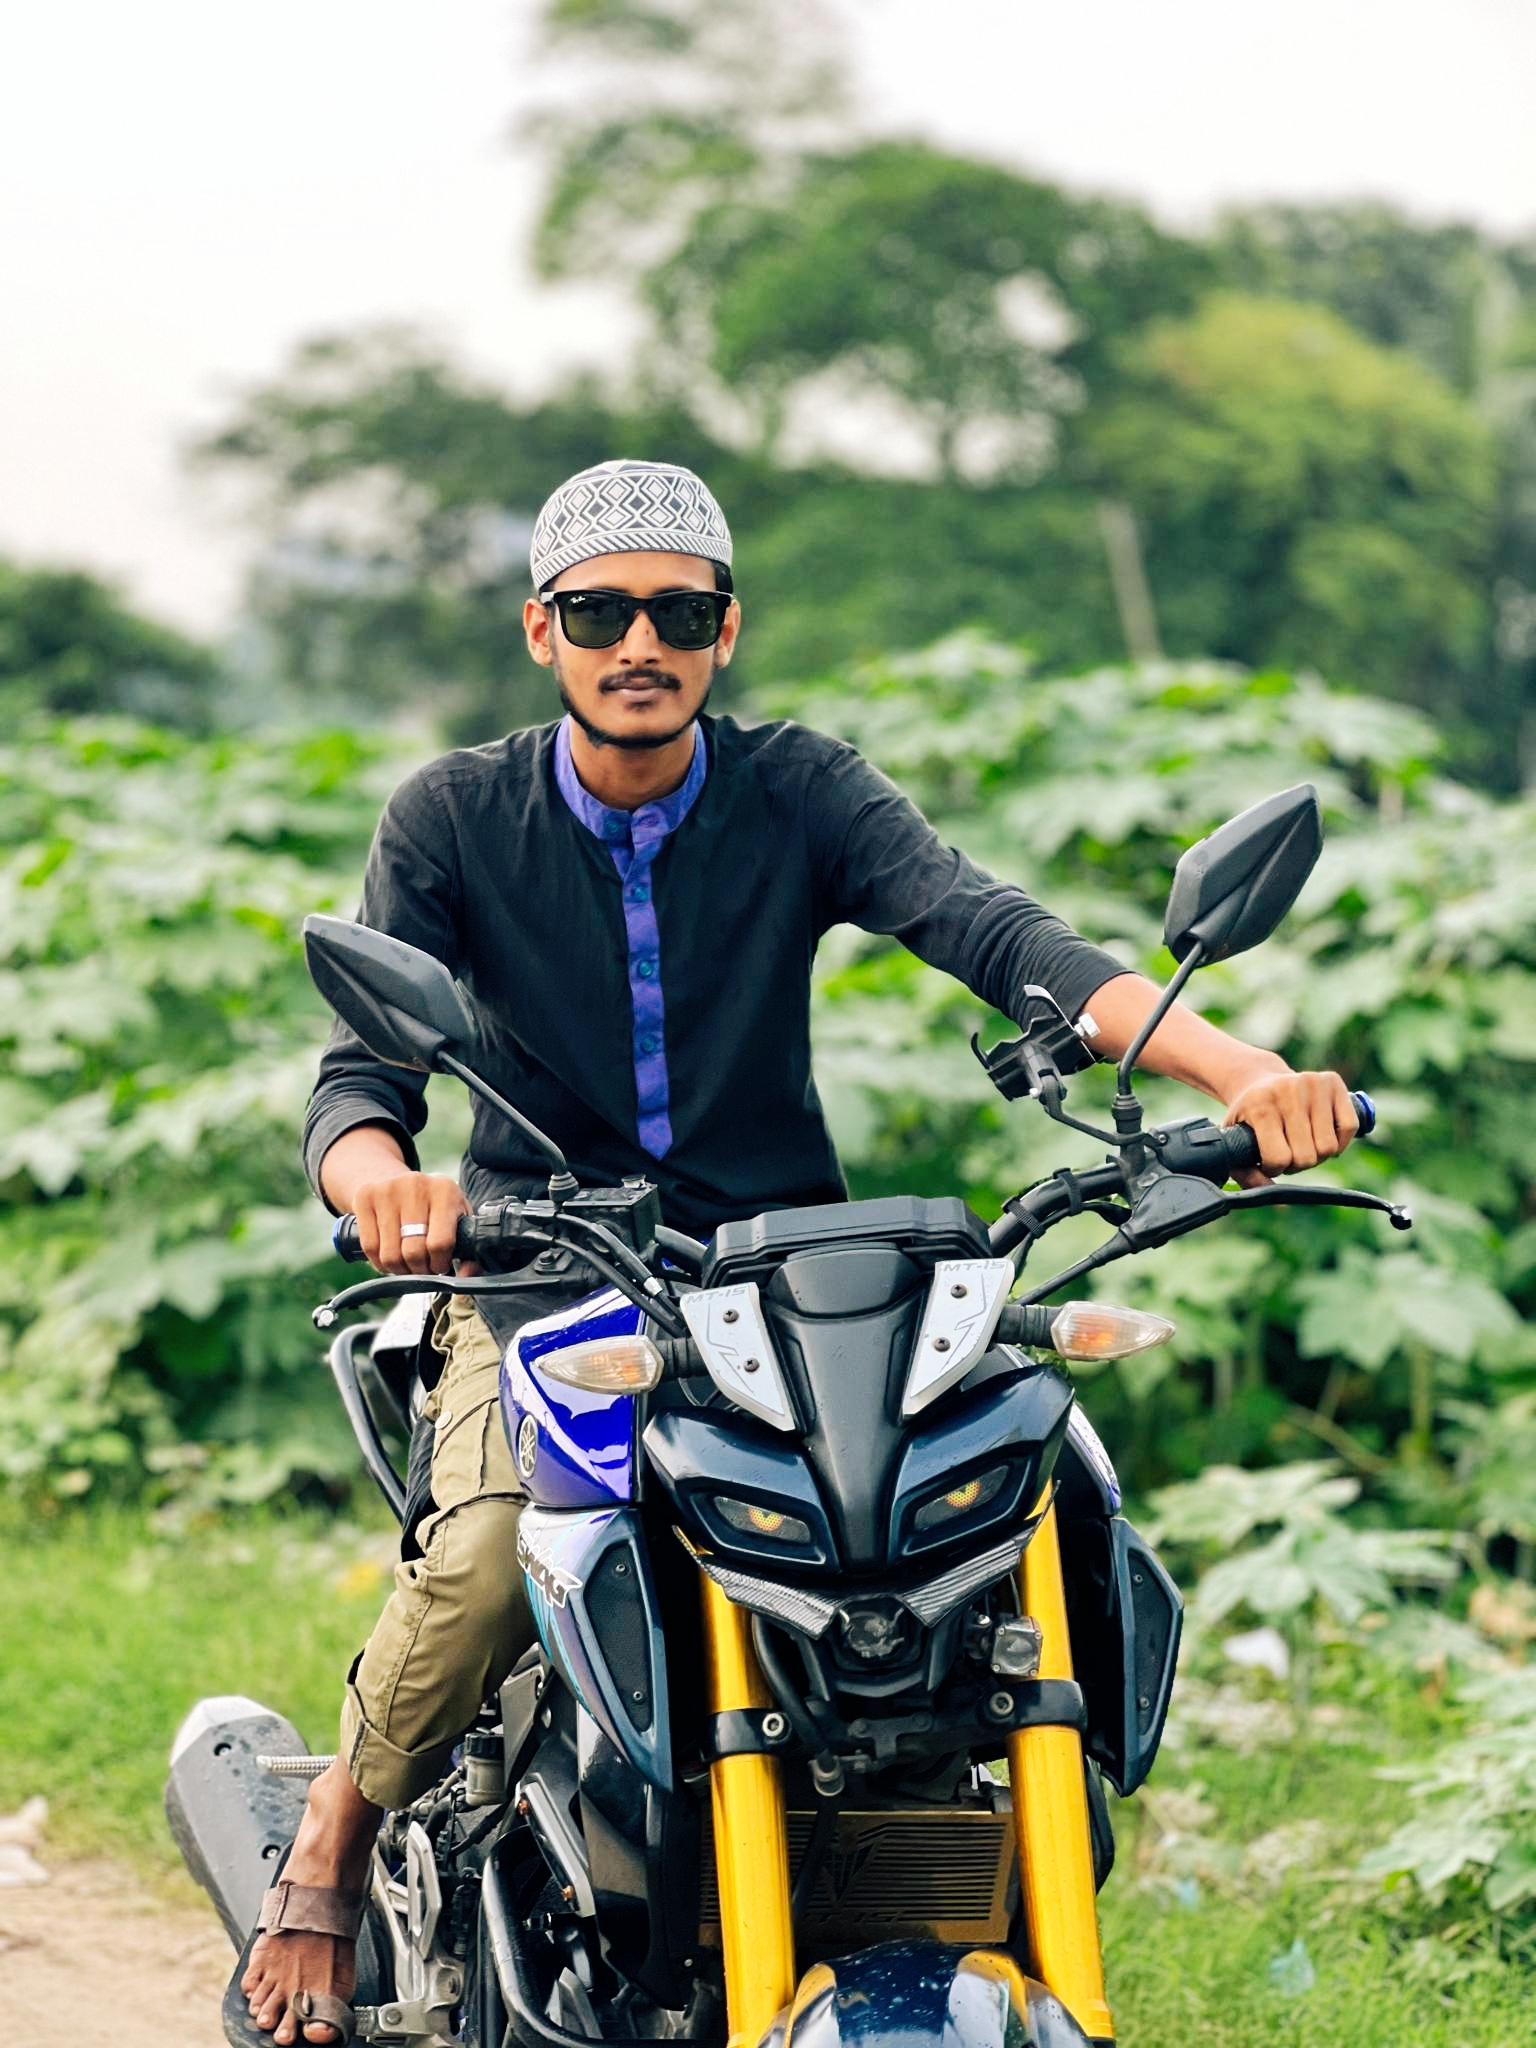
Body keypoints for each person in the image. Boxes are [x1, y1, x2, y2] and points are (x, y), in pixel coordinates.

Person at [242, 459, 1361, 2044]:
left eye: (677, 611)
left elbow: (998, 934)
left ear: (726, 628)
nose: (642, 642)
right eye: (600, 614)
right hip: (545, 1278)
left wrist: (1243, 1074)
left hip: (779, 1285)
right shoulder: (455, 817)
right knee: (490, 1554)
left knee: (1026, 1488)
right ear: (542, 632)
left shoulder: (801, 791)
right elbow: (361, 1082)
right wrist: (385, 1187)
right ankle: (331, 1846)